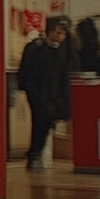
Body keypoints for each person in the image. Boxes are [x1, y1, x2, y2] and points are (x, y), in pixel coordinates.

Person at [18, 19, 70, 170]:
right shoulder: (35, 48)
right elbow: (26, 71)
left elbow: (62, 75)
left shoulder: (60, 51)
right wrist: (27, 88)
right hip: (36, 93)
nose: (62, 36)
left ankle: (36, 152)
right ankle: (34, 154)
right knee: (39, 122)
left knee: (47, 124)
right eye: (59, 32)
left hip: (52, 95)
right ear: (51, 32)